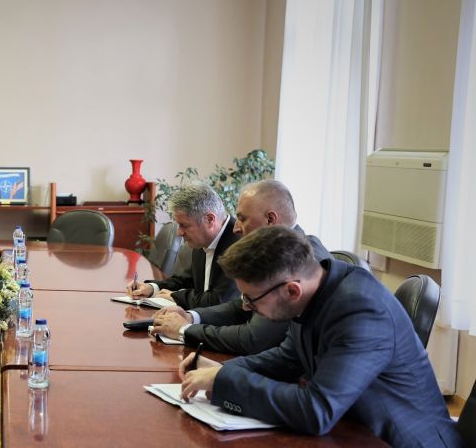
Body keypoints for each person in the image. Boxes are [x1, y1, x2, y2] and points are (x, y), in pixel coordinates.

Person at [179, 226, 461, 447]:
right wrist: (223, 371)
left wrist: (226, 381)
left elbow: (317, 410)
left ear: (292, 290)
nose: (247, 307)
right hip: (351, 430)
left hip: (400, 442)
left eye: (251, 299)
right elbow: (287, 358)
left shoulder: (361, 310)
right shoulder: (316, 291)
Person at [150, 180, 331, 354]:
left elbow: (254, 338)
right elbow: (241, 307)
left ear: (270, 219)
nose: (235, 228)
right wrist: (191, 316)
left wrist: (185, 330)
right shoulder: (281, 250)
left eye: (242, 219)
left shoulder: (295, 260)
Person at [127, 182, 239, 309]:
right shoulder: (204, 238)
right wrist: (152, 287)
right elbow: (186, 280)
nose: (179, 233)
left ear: (209, 220)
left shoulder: (238, 245)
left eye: (184, 225)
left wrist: (177, 297)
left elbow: (219, 301)